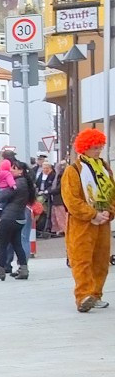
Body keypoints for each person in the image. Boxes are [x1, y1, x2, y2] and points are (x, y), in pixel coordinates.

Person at [61, 128, 114, 312]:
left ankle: (96, 293)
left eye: (100, 147)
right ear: (84, 148)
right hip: (81, 223)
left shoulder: (105, 168)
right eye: (94, 148)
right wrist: (92, 214)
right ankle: (84, 296)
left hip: (103, 222)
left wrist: (109, 212)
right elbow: (71, 200)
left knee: (100, 260)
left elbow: (112, 193)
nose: (98, 151)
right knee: (82, 260)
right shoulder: (73, 170)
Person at [0, 159, 34, 282]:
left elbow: (3, 196)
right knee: (17, 244)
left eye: (14, 168)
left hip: (9, 218)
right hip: (19, 217)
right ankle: (23, 269)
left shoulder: (17, 183)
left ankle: (1, 270)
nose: (11, 170)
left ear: (21, 171)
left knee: (2, 245)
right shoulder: (25, 183)